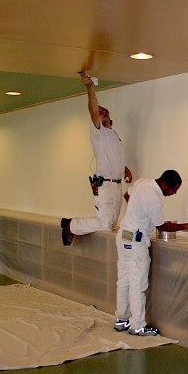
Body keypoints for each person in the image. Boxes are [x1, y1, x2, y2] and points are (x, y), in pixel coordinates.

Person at [114, 170, 188, 336]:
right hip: (136, 242)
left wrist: (139, 215)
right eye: (174, 189)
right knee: (137, 285)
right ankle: (137, 326)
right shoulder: (154, 198)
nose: (174, 193)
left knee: (123, 281)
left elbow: (127, 195)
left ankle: (121, 320)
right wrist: (187, 226)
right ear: (165, 184)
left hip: (123, 236)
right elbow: (161, 226)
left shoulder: (142, 182)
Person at [61, 73, 132, 246]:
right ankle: (71, 225)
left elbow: (114, 156)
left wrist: (124, 169)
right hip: (105, 184)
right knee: (106, 224)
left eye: (105, 112)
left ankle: (71, 224)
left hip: (115, 184)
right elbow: (93, 110)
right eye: (100, 112)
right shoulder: (98, 133)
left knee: (110, 224)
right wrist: (90, 87)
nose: (103, 113)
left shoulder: (113, 135)